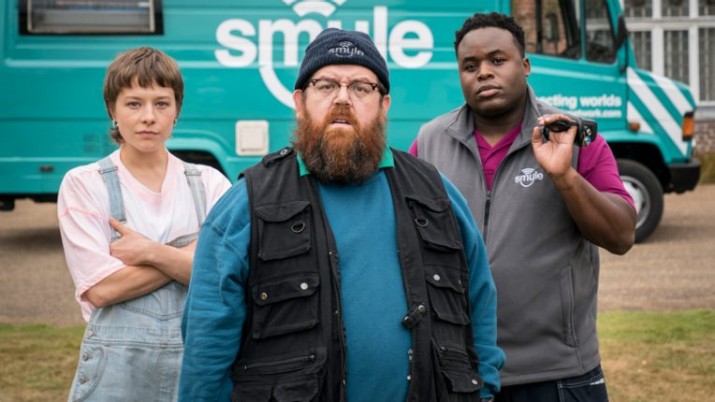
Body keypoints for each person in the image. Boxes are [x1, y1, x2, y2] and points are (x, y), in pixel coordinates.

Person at [179, 28, 505, 402]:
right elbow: (207, 342)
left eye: (361, 88)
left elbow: (480, 302)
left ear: (384, 105)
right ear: (300, 101)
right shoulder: (248, 205)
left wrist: (484, 392)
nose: (342, 98)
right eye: (326, 85)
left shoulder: (436, 195)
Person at [410, 12, 636, 402]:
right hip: (461, 369)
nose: (484, 73)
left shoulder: (572, 137)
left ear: (526, 65)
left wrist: (564, 176)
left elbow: (621, 235)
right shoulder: (430, 142)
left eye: (497, 60)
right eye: (470, 66)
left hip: (558, 373)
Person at [57, 47, 231, 401]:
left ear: (176, 110)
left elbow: (229, 277)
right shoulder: (84, 184)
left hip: (197, 365)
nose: (148, 117)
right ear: (113, 110)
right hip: (117, 372)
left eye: (161, 104)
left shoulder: (211, 184)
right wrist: (192, 255)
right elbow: (102, 289)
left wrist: (149, 252)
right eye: (134, 104)